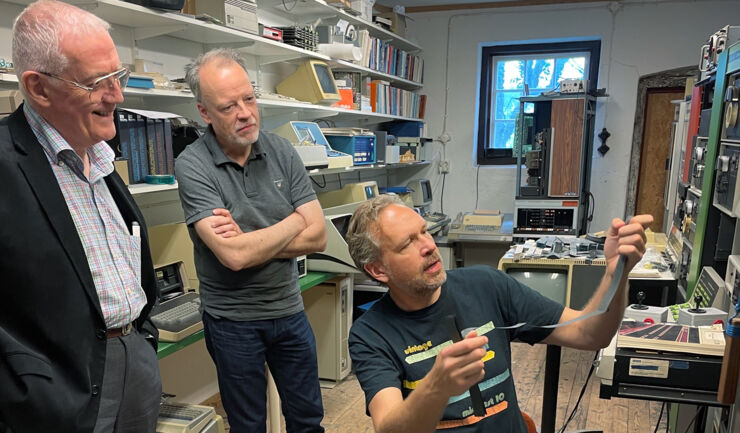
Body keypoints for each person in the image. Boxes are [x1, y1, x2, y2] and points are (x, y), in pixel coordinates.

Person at [345, 194, 653, 433]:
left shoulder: (487, 285)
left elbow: (590, 333)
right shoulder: (371, 334)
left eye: (424, 232)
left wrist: (617, 272)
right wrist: (436, 387)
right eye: (407, 243)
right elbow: (389, 428)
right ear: (377, 270)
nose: (428, 246)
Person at [0, 1, 164, 432]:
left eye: (118, 75)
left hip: (135, 365)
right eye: (98, 81)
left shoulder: (103, 158)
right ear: (39, 88)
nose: (118, 95)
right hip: (55, 391)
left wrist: (143, 339)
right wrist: (26, 388)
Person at [174, 48, 328, 433]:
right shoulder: (192, 165)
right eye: (229, 106)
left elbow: (319, 236)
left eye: (249, 98)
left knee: (308, 419)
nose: (245, 113)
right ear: (205, 113)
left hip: (289, 310)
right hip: (232, 321)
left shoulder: (282, 151)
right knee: (247, 425)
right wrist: (295, 219)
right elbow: (234, 257)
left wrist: (251, 239)